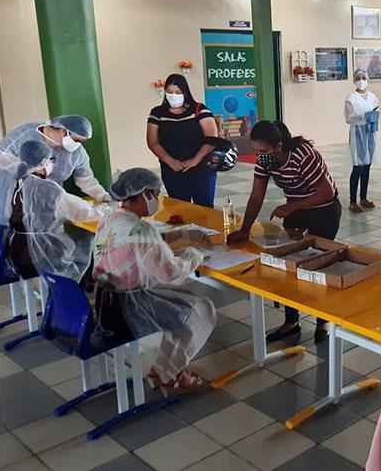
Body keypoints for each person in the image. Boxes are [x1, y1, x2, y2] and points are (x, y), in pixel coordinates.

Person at [92, 168, 217, 394]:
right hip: (127, 308)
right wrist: (195, 254)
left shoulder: (111, 218)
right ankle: (168, 374)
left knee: (184, 307)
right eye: (155, 194)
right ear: (144, 194)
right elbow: (169, 273)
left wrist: (183, 234)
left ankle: (166, 369)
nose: (156, 200)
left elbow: (147, 242)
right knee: (199, 310)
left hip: (105, 302)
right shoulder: (140, 228)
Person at [226, 121, 339, 343]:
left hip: (324, 210)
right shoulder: (265, 162)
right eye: (256, 151)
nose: (259, 156)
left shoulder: (304, 155)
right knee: (288, 266)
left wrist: (292, 207)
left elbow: (327, 192)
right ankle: (291, 322)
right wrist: (244, 230)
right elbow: (256, 197)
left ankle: (323, 320)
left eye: (263, 151)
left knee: (319, 264)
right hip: (296, 209)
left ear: (278, 146)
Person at [0, 140, 112, 282]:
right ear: (43, 162)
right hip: (38, 255)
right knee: (86, 241)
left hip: (14, 251)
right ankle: (74, 287)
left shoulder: (16, 182)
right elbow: (84, 213)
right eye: (51, 160)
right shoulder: (47, 189)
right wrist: (109, 207)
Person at [146, 73, 220, 208]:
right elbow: (152, 142)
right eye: (169, 92)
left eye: (178, 92)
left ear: (185, 92)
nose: (173, 96)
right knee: (179, 209)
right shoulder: (157, 113)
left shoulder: (199, 109)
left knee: (204, 209)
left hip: (201, 169)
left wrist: (195, 160)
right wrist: (170, 161)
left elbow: (212, 138)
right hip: (172, 170)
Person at [0, 115, 110, 201]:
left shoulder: (77, 153)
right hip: (12, 198)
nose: (78, 145)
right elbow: (0, 156)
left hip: (48, 203)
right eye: (76, 140)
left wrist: (102, 195)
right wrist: (30, 169)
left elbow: (86, 180)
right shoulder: (25, 134)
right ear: (64, 131)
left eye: (81, 142)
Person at [344, 68, 381, 213]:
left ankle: (363, 198)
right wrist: (362, 117)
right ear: (354, 80)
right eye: (358, 78)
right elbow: (348, 118)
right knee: (358, 166)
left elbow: (375, 110)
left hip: (370, 132)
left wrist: (372, 117)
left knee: (367, 166)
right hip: (358, 133)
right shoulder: (351, 98)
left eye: (363, 78)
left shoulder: (372, 97)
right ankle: (352, 201)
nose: (361, 80)